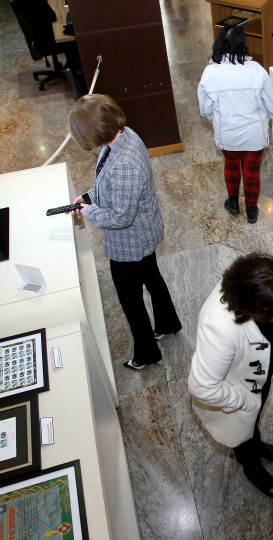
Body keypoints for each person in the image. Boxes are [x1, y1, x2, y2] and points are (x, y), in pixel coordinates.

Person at [69, 94, 182, 371]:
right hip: (144, 233)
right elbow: (111, 186)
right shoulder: (125, 135)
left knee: (131, 303)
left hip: (130, 243)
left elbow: (121, 217)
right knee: (152, 278)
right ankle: (168, 323)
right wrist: (88, 197)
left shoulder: (124, 164)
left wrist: (87, 212)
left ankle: (146, 353)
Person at [188, 255, 273, 498]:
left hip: (257, 375)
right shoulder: (219, 327)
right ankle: (252, 466)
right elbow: (201, 386)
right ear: (249, 309)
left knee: (254, 420)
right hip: (238, 392)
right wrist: (245, 401)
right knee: (243, 429)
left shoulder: (261, 285)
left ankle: (256, 442)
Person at [198, 24, 273, 224]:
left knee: (231, 166)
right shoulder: (257, 70)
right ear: (243, 44)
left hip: (227, 135)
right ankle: (251, 211)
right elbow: (272, 108)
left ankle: (233, 203)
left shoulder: (210, 73)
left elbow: (205, 109)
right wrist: (263, 119)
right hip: (254, 135)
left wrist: (217, 121)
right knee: (252, 173)